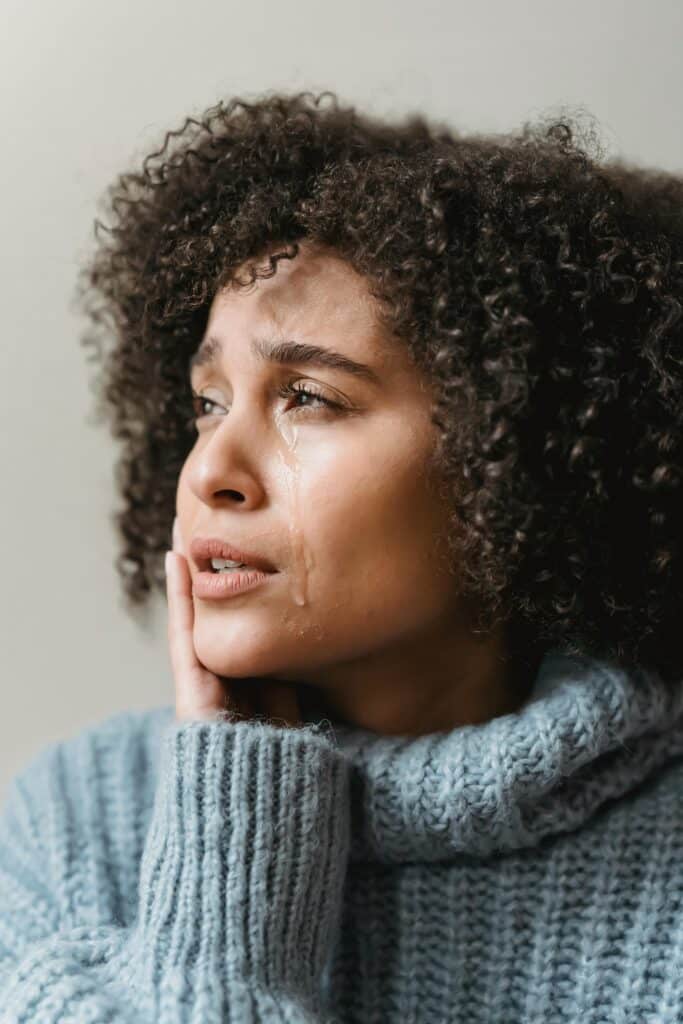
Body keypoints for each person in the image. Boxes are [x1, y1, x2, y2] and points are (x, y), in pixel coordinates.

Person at [1, 89, 681, 1022]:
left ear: (513, 460)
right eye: (207, 403)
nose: (211, 472)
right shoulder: (69, 826)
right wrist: (236, 852)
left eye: (308, 398)